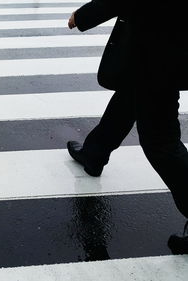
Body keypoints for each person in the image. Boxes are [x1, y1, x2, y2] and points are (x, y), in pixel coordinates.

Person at [66, 0, 188, 254]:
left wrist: (85, 14)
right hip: (165, 39)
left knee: (160, 139)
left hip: (159, 45)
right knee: (130, 96)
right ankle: (94, 153)